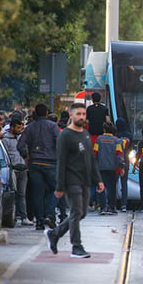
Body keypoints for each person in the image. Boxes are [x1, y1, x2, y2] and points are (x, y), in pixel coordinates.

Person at [45, 102, 105, 259]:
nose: (82, 117)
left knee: (81, 213)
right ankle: (76, 246)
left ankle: (54, 233)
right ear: (71, 115)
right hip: (71, 181)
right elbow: (61, 161)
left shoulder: (85, 134)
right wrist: (59, 186)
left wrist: (98, 179)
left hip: (85, 180)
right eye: (78, 114)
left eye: (84, 114)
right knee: (76, 211)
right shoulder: (65, 135)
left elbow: (91, 158)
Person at [17, 103, 62, 230]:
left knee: (37, 192)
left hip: (35, 163)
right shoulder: (53, 126)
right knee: (55, 189)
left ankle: (39, 221)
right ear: (47, 113)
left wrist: (26, 156)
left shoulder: (30, 128)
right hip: (51, 163)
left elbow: (20, 145)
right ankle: (49, 213)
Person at [2, 117, 33, 226]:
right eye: (18, 127)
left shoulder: (21, 138)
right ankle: (13, 216)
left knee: (22, 194)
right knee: (13, 194)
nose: (20, 130)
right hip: (12, 169)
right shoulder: (5, 139)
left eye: (21, 128)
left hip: (23, 169)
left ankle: (24, 217)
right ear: (12, 127)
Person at [93, 122, 124, 215]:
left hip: (100, 167)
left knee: (101, 187)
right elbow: (119, 155)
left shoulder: (99, 139)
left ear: (104, 130)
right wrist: (121, 166)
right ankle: (112, 207)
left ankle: (102, 207)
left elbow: (94, 153)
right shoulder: (116, 141)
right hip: (112, 168)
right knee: (112, 188)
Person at [115, 118, 132, 212]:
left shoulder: (115, 136)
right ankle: (124, 204)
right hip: (125, 160)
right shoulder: (129, 135)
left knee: (114, 183)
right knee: (124, 183)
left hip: (115, 160)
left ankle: (112, 203)